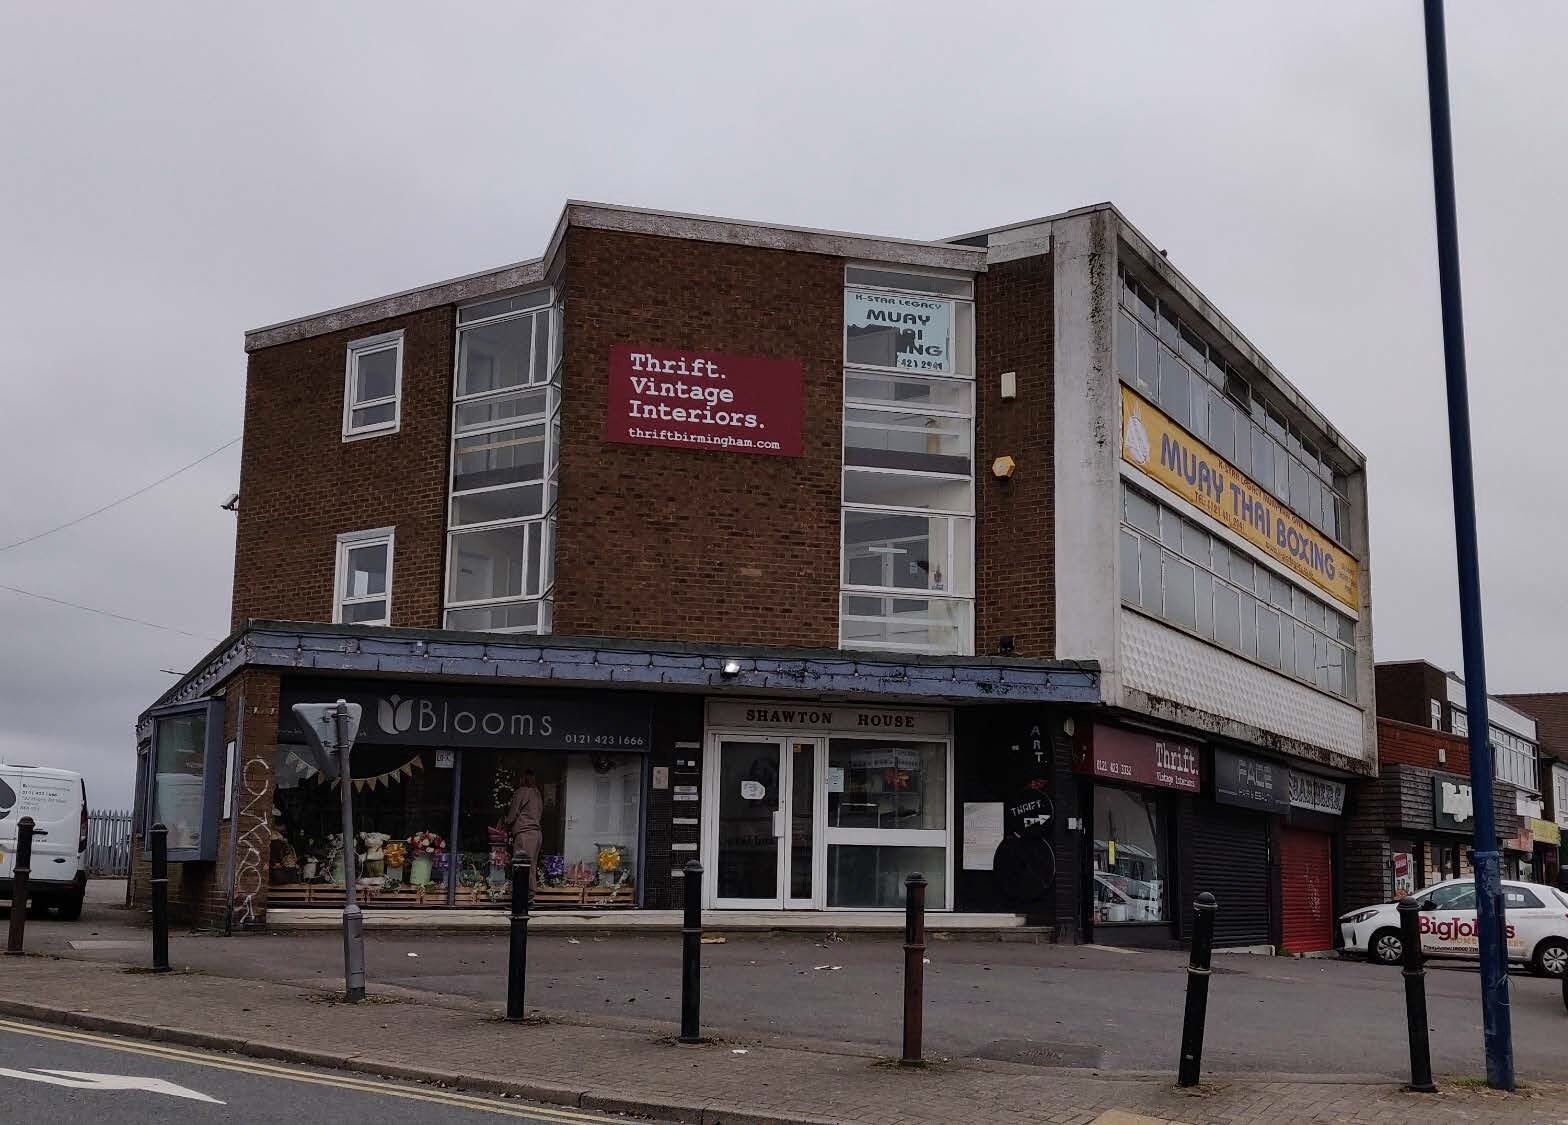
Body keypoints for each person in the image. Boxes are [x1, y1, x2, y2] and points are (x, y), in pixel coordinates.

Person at [500, 769, 544, 885]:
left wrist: (505, 823)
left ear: (522, 779)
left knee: (521, 869)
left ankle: (523, 899)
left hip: (525, 834)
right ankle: (530, 896)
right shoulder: (537, 793)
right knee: (532, 867)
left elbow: (512, 815)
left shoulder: (521, 792)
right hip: (537, 834)